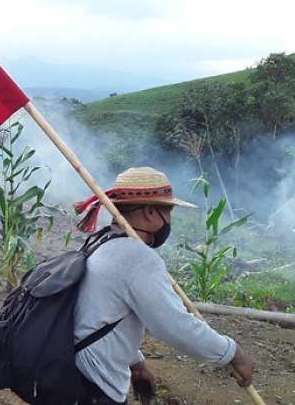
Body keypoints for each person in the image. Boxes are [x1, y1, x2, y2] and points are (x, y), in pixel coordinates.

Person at [72, 167, 255, 404]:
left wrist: (135, 363)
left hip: (74, 369)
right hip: (92, 382)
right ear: (150, 211)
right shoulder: (136, 256)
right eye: (168, 211)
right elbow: (175, 326)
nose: (170, 220)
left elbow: (101, 314)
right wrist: (233, 353)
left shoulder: (102, 242)